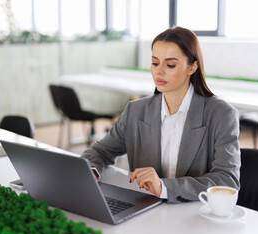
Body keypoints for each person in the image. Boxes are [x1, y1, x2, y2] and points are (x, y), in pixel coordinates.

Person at [81, 26, 240, 203]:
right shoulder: (136, 111)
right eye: (155, 63)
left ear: (192, 67)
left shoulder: (221, 114)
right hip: (146, 211)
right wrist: (91, 172)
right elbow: (99, 152)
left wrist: (164, 188)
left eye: (170, 65)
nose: (159, 71)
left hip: (195, 216)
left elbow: (227, 180)